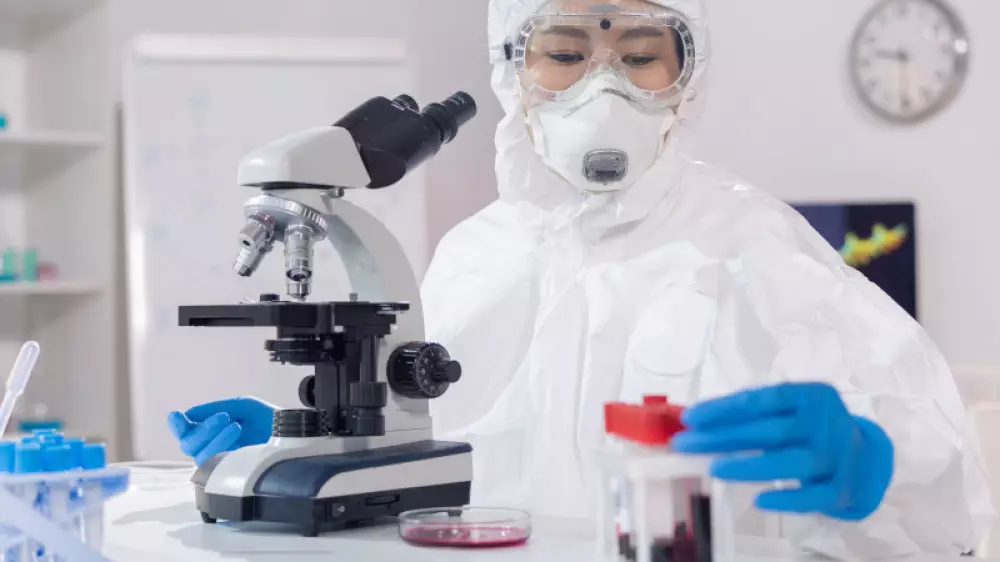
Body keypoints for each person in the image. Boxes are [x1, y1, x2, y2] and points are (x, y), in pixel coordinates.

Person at [167, 0, 993, 558]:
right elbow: (414, 460)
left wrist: (874, 467)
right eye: (564, 53)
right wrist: (310, 439)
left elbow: (951, 507)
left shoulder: (756, 245)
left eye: (641, 56)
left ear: (687, 74)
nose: (605, 84)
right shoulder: (474, 255)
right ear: (511, 65)